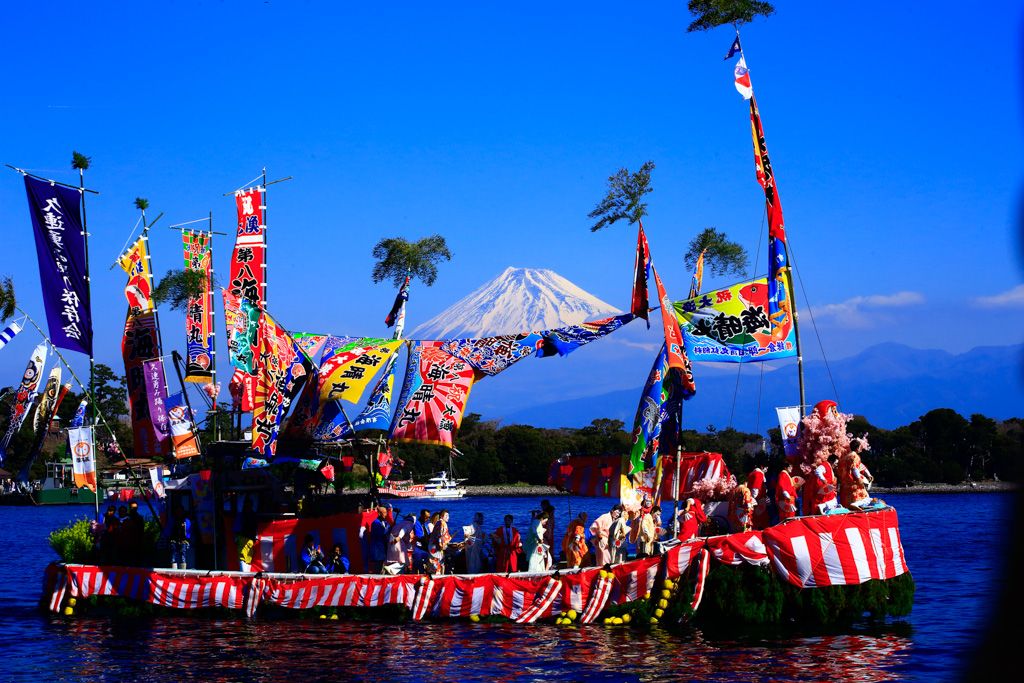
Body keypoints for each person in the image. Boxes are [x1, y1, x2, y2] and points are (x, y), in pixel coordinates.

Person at [234, 497, 259, 572]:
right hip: (246, 539)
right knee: (246, 558)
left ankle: (245, 576)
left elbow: (236, 528)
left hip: (246, 539)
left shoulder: (243, 514)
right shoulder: (250, 514)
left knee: (246, 558)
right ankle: (245, 575)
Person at [427, 510, 452, 575]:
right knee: (438, 565)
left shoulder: (438, 522)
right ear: (442, 516)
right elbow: (440, 536)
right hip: (437, 547)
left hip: (433, 546)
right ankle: (438, 579)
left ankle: (433, 577)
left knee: (434, 565)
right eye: (446, 516)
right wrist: (442, 545)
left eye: (448, 516)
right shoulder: (442, 523)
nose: (448, 517)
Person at [121, 501, 146, 566]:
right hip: (126, 541)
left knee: (135, 560)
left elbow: (141, 530)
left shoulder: (139, 518)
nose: (133, 509)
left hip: (136, 541)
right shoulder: (125, 517)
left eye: (135, 508)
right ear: (129, 508)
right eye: (132, 508)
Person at [747, 464, 770, 529]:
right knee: (761, 521)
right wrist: (756, 499)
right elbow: (755, 489)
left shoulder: (752, 473)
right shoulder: (759, 474)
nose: (767, 469)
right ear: (762, 466)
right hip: (759, 500)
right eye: (766, 467)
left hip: (754, 500)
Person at [169, 505, 192, 570]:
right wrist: (168, 538)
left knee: (183, 555)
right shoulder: (172, 520)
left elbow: (189, 531)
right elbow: (168, 529)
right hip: (174, 540)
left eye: (180, 511)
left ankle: (183, 571)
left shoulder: (186, 520)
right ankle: (173, 571)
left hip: (183, 540)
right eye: (177, 511)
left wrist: (187, 539)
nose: (179, 512)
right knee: (174, 556)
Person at [369, 506, 390, 573]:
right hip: (378, 549)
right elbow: (382, 534)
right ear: (379, 513)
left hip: (382, 548)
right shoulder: (376, 523)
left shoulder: (384, 522)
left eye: (386, 512)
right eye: (384, 513)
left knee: (381, 566)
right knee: (378, 567)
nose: (386, 514)